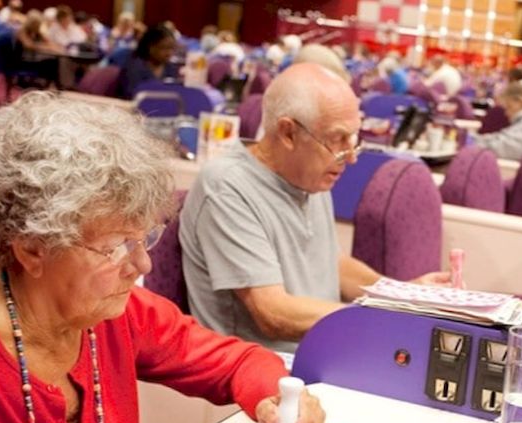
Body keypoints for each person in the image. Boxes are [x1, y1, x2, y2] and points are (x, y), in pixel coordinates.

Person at [0, 92, 326, 423]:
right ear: (32, 249)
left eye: (144, 237)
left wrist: (276, 399)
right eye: (115, 246)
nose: (143, 265)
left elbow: (235, 361)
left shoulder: (113, 314)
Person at [179, 63, 451, 354]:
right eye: (337, 140)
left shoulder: (309, 174)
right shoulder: (227, 186)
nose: (350, 158)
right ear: (288, 133)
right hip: (261, 374)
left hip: (323, 352)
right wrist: (383, 315)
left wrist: (404, 296)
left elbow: (333, 264)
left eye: (354, 138)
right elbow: (273, 313)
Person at [115, 23, 178, 99]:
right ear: (150, 47)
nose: (169, 53)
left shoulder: (171, 68)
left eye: (172, 48)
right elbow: (131, 97)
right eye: (164, 48)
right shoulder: (133, 68)